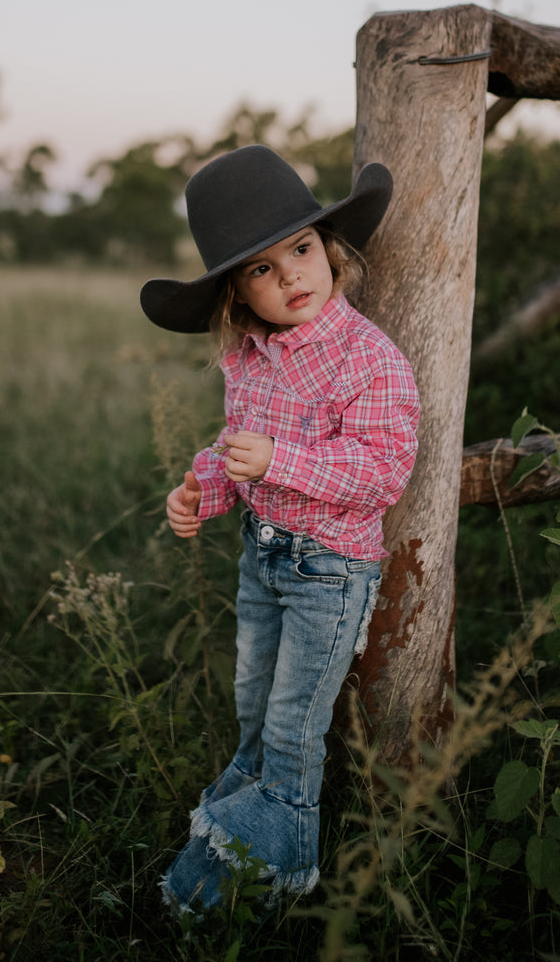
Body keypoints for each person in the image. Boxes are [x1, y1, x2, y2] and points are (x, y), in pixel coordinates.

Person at [140, 144, 420, 914]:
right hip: (263, 561)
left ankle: (276, 874)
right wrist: (203, 486)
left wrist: (277, 461)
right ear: (237, 294)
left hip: (330, 573)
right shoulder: (252, 361)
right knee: (254, 705)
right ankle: (233, 837)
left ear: (329, 250)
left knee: (296, 726)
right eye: (261, 269)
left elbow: (379, 475)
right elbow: (238, 453)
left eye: (299, 250)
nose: (291, 275)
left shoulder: (370, 360)